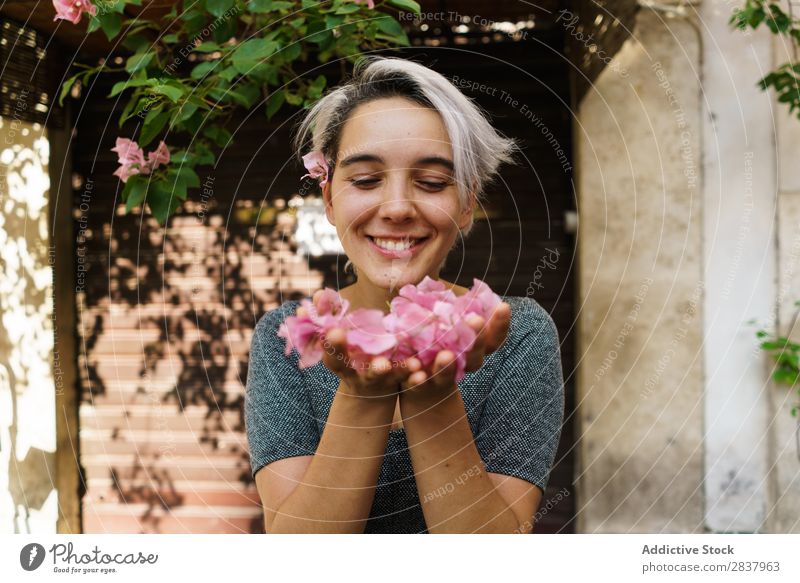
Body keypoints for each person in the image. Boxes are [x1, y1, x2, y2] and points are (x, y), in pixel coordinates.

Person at [245, 56, 564, 534]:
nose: (396, 207)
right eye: (366, 180)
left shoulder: (515, 333)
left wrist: (432, 396)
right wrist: (360, 392)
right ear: (330, 198)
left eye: (432, 182)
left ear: (466, 201)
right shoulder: (288, 339)